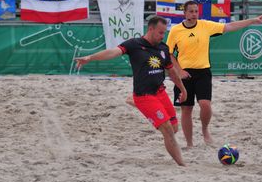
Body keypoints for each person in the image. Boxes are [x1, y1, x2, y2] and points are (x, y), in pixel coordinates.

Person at [74, 16, 188, 167]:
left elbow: (172, 72)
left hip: (160, 92)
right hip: (144, 95)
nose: (163, 36)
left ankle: (134, 102)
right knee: (167, 129)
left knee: (174, 129)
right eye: (160, 33)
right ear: (151, 29)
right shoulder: (134, 44)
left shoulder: (163, 48)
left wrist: (183, 89)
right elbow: (112, 52)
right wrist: (90, 57)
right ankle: (182, 165)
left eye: (164, 33)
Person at [166, 0, 262, 147]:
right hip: (184, 74)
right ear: (184, 13)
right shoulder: (176, 30)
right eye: (191, 11)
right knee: (186, 109)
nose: (194, 14)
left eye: (196, 11)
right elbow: (169, 54)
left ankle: (205, 130)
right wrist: (179, 71)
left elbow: (230, 26)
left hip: (203, 71)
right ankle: (189, 143)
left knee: (205, 105)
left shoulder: (205, 25)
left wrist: (253, 20)